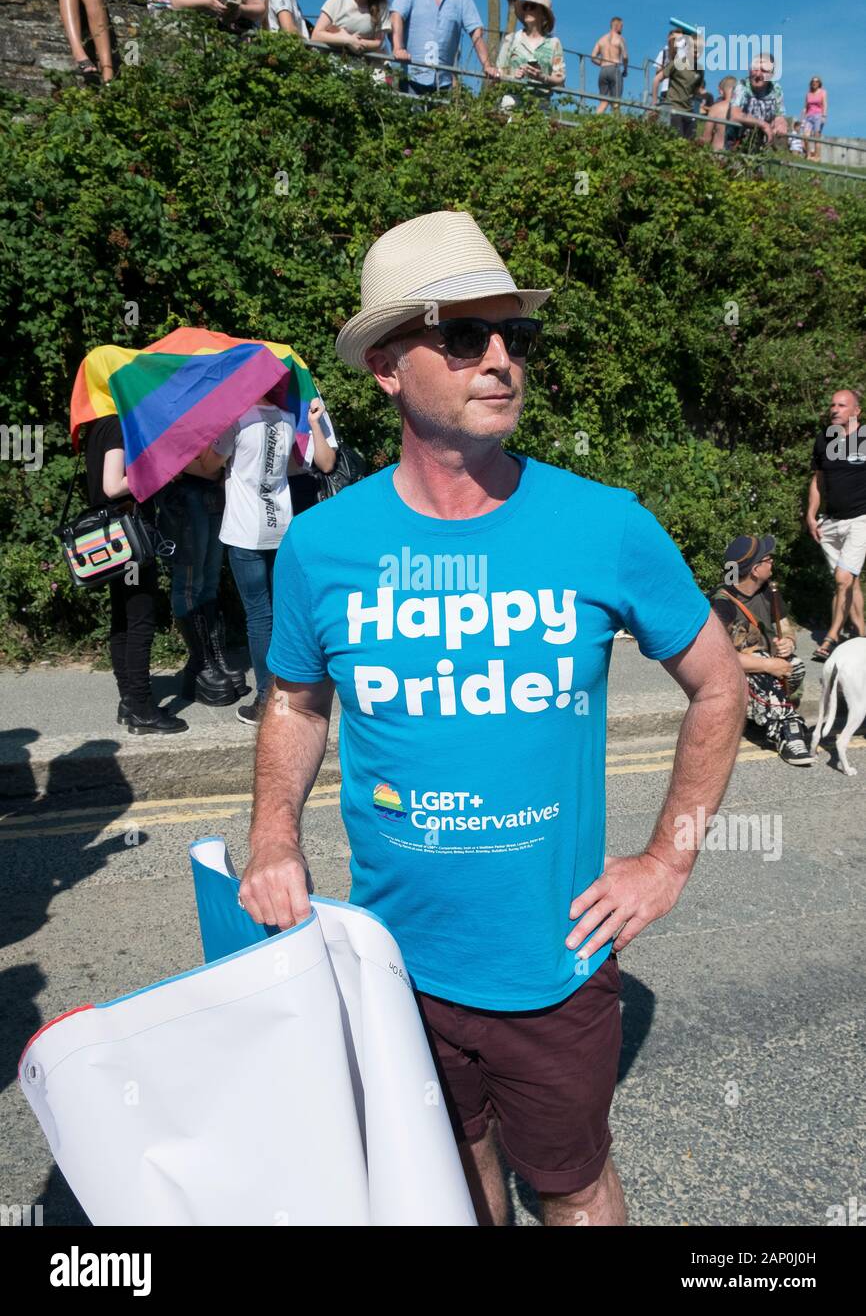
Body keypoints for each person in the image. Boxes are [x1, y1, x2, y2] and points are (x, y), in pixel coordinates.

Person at [239, 209, 746, 1227]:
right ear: (386, 367)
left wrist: (668, 857)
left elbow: (721, 684)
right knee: (454, 1166)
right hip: (393, 960)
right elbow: (295, 699)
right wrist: (269, 833)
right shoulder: (323, 545)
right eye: (465, 337)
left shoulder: (603, 523)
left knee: (567, 1184)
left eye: (515, 335)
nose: (501, 360)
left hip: (552, 966)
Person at [196, 396, 335, 726]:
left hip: (246, 530)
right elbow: (307, 464)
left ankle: (265, 700)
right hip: (280, 526)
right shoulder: (287, 417)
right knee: (283, 613)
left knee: (259, 616)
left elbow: (208, 465)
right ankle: (289, 693)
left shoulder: (237, 418)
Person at [83, 415, 188, 735]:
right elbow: (112, 485)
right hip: (129, 541)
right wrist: (160, 473)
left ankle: (130, 700)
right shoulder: (116, 426)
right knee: (139, 620)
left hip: (114, 540)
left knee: (123, 618)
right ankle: (141, 707)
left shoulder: (97, 425)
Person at [709, 536, 811, 765]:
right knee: (764, 668)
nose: (772, 562)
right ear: (755, 569)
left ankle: (773, 714)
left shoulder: (768, 591)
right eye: (768, 559)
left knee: (795, 666)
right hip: (736, 671)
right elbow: (717, 656)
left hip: (764, 665)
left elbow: (786, 628)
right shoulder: (722, 603)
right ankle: (787, 730)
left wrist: (789, 642)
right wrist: (767, 664)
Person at [158, 459, 249, 707]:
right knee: (189, 584)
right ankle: (201, 662)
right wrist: (213, 470)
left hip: (212, 493)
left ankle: (216, 657)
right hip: (186, 497)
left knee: (210, 581)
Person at [390, 0, 497, 95]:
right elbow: (396, 14)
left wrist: (487, 65)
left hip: (444, 83)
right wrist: (398, 48)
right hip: (411, 79)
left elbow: (475, 30)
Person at [807, 389, 866, 661]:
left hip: (861, 520)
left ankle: (830, 638)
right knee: (850, 580)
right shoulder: (824, 440)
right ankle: (862, 634)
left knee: (842, 579)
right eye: (832, 404)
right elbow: (818, 481)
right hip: (830, 522)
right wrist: (811, 514)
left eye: (842, 405)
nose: (834, 409)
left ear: (856, 412)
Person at [495, 0, 564, 100]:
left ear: (543, 14)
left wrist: (542, 77)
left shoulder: (554, 43)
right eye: (525, 6)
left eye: (532, 6)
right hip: (512, 102)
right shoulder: (511, 39)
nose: (527, 9)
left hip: (541, 106)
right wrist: (513, 75)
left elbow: (560, 79)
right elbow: (498, 71)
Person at [729, 54, 788, 150]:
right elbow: (735, 115)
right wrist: (763, 124)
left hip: (759, 148)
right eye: (755, 69)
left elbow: (779, 115)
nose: (758, 74)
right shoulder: (742, 85)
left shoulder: (776, 89)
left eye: (764, 71)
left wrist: (781, 123)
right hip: (735, 145)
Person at [656, 31, 703, 138]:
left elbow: (696, 90)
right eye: (695, 51)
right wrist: (654, 102)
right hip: (673, 106)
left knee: (689, 142)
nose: (698, 55)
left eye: (700, 52)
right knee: (676, 139)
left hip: (688, 111)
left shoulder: (700, 70)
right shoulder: (676, 61)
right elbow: (657, 79)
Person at [591, 15, 627, 113]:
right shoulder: (620, 39)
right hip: (615, 69)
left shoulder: (601, 39)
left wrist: (602, 63)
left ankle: (593, 123)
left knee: (603, 101)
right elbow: (625, 56)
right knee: (616, 102)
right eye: (621, 26)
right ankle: (616, 125)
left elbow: (593, 57)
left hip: (603, 71)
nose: (622, 28)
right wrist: (625, 69)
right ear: (617, 25)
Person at [698, 75, 739, 151]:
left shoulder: (716, 108)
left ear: (721, 91)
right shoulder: (742, 109)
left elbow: (706, 138)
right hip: (737, 156)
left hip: (717, 155)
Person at [650, 27, 683, 104]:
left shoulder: (684, 54)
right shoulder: (663, 53)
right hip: (665, 90)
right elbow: (657, 73)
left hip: (680, 91)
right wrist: (668, 70)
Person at [801, 75, 827, 162]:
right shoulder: (808, 94)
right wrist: (802, 117)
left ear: (819, 83)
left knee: (816, 137)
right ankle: (808, 154)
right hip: (809, 116)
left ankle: (817, 156)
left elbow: (824, 104)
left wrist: (824, 116)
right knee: (805, 136)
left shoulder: (823, 92)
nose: (814, 83)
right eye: (813, 81)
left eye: (816, 81)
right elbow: (805, 107)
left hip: (818, 116)